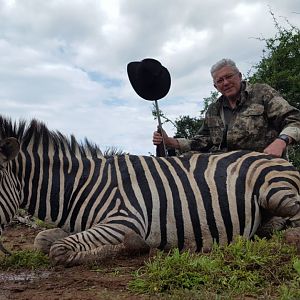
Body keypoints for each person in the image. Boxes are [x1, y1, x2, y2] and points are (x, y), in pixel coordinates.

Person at [153, 58, 300, 158]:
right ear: (215, 86)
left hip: (264, 170)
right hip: (225, 177)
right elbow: (201, 142)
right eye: (220, 80)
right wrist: (171, 142)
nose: (225, 82)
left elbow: (294, 120)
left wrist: (280, 142)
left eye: (229, 76)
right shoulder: (213, 110)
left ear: (240, 76)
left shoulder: (262, 93)